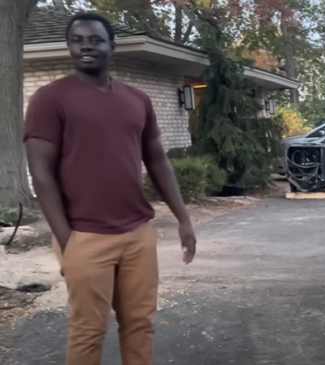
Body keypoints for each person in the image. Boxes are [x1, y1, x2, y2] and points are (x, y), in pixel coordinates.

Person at [24, 12, 196, 365]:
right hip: (84, 235)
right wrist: (67, 241)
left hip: (137, 234)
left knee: (140, 324)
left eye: (95, 40)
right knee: (88, 331)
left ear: (111, 47)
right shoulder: (49, 98)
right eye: (77, 40)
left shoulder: (137, 99)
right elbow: (41, 174)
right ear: (69, 46)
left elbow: (158, 162)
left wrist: (183, 218)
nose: (86, 46)